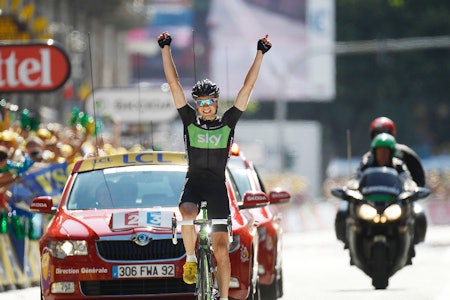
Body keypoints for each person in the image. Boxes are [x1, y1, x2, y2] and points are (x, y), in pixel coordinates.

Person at [158, 31, 271, 299]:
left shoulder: (228, 122)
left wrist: (259, 54)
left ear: (217, 102)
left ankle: (222, 297)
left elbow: (247, 89)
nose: (205, 107)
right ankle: (190, 260)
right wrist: (165, 49)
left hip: (217, 188)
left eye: (210, 102)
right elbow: (174, 85)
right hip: (194, 183)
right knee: (186, 211)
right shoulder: (189, 121)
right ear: (196, 105)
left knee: (221, 248)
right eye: (201, 103)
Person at [362, 116, 426, 187]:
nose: (382, 138)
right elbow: (357, 179)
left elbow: (418, 182)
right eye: (380, 152)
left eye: (386, 152)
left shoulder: (404, 157)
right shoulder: (367, 159)